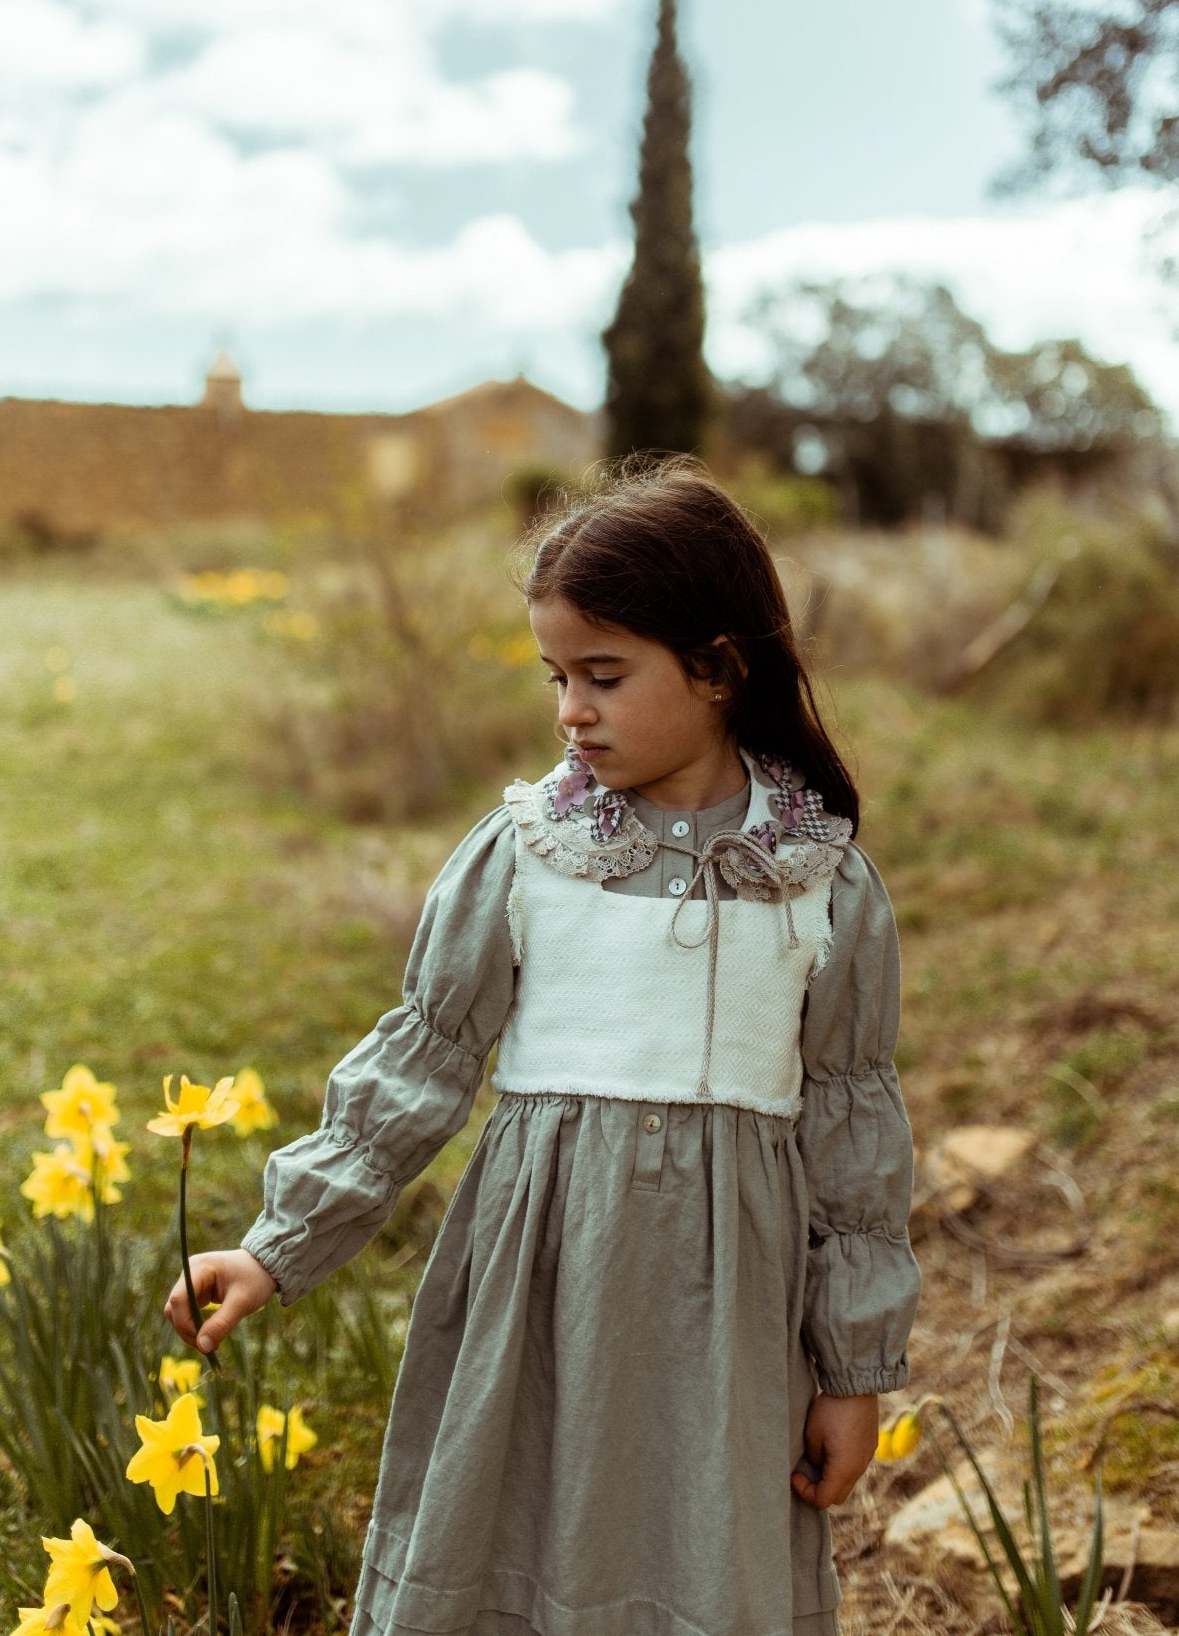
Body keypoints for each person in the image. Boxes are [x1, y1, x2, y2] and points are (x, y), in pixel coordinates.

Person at [165, 460, 922, 1636]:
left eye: (603, 676)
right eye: (555, 676)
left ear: (719, 667)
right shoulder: (526, 853)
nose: (570, 708)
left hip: (728, 1321)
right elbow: (418, 1062)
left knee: (703, 1563)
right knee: (503, 1549)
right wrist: (281, 1240)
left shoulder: (820, 883)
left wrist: (853, 1366)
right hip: (537, 1284)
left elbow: (852, 1139)